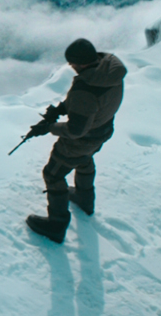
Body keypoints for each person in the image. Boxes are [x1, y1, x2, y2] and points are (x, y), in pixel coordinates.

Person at [26, 38, 127, 244]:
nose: (71, 66)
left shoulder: (86, 88)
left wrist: (49, 128)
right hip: (102, 131)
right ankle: (84, 198)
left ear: (80, 63)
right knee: (84, 159)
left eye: (72, 63)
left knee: (53, 174)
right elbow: (95, 102)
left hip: (80, 141)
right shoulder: (109, 71)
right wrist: (63, 107)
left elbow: (75, 130)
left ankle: (56, 225)